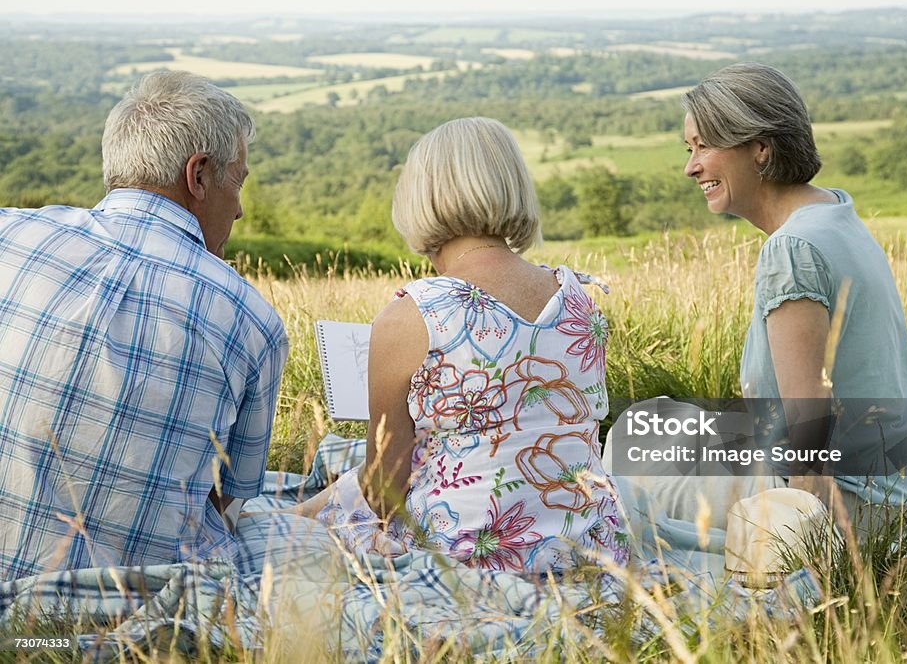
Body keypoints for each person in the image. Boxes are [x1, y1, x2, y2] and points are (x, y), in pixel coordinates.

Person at [289, 117, 628, 573]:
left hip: (467, 557)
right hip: (593, 548)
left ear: (421, 199)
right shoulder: (579, 298)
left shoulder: (413, 314)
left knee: (309, 519)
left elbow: (384, 493)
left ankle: (282, 516)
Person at [0, 71, 288, 581]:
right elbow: (227, 501)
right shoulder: (252, 319)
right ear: (198, 175)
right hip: (129, 612)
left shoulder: (10, 233)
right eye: (237, 182)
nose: (240, 209)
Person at [675, 62, 907, 521]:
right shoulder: (833, 209)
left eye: (705, 146)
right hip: (900, 487)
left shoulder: (792, 249)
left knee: (630, 464)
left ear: (759, 148)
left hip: (854, 505)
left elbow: (809, 431)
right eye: (689, 147)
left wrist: (804, 539)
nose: (690, 167)